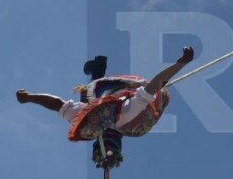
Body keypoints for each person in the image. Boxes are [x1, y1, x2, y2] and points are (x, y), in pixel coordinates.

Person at [16, 47, 194, 172]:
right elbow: (155, 85)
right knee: (94, 95)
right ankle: (97, 67)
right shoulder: (127, 116)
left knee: (89, 95)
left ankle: (97, 67)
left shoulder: (89, 122)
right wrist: (180, 64)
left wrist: (30, 97)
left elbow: (58, 105)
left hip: (109, 96)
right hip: (122, 94)